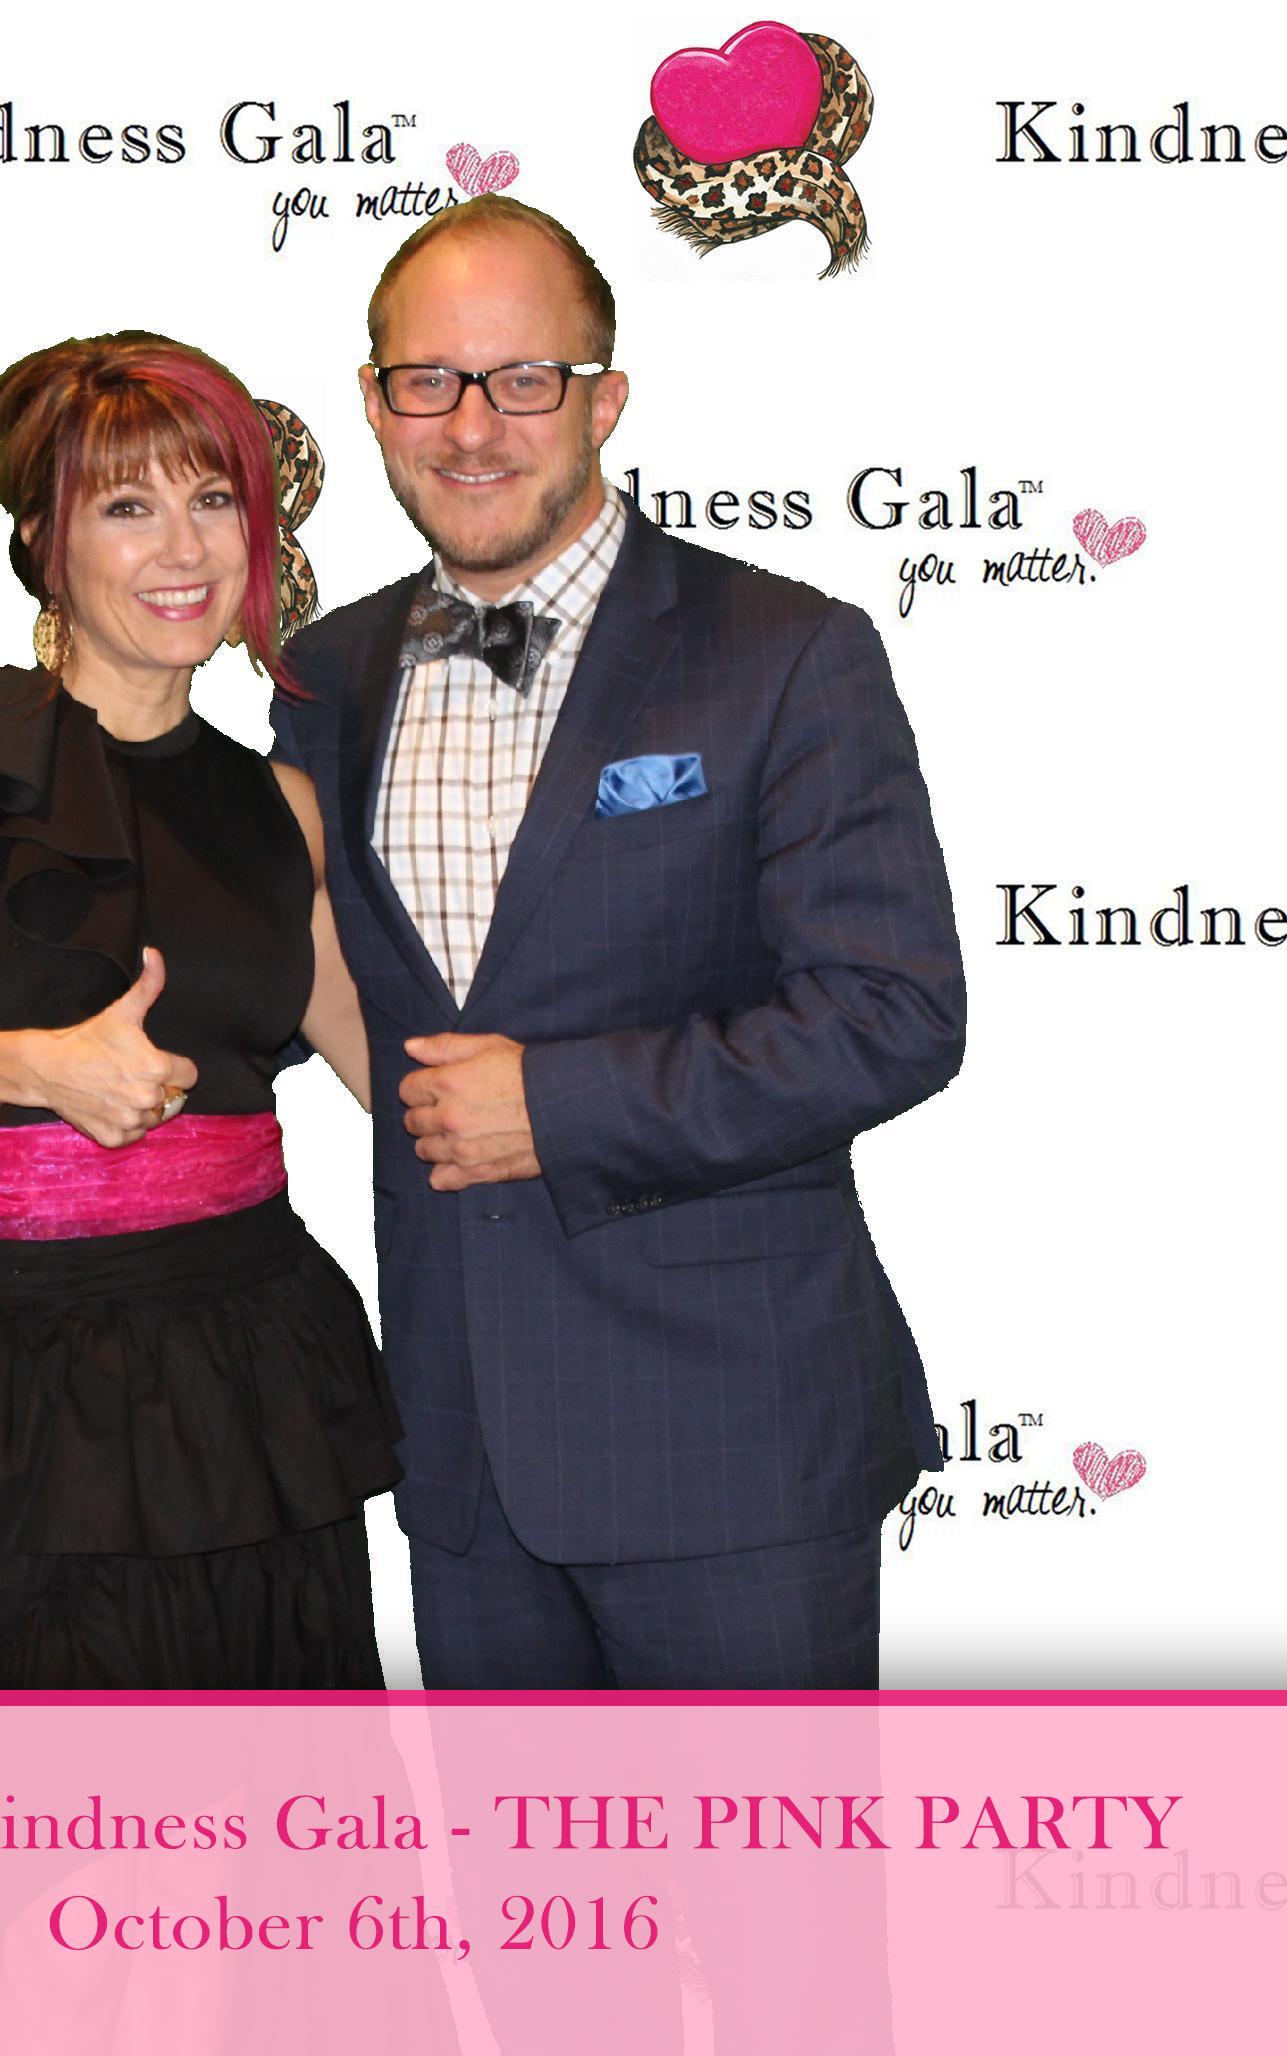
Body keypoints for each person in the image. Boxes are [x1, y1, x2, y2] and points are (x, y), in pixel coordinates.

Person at [269, 196, 964, 1689]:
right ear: (374, 402)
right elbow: (275, 953)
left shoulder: (788, 651)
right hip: (461, 1459)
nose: (472, 426)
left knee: (772, 1863)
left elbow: (891, 1011)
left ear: (606, 398)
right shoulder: (326, 676)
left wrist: (560, 1106)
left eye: (525, 379)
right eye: (427, 380)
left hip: (734, 1448)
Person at [0, 332, 401, 1688]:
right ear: (45, 544)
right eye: (127, 506)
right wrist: (34, 1070)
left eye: (214, 498)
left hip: (250, 1389)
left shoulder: (278, 804)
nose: (184, 547)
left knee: (263, 1807)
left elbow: (395, 1072)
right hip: (5, 1393)